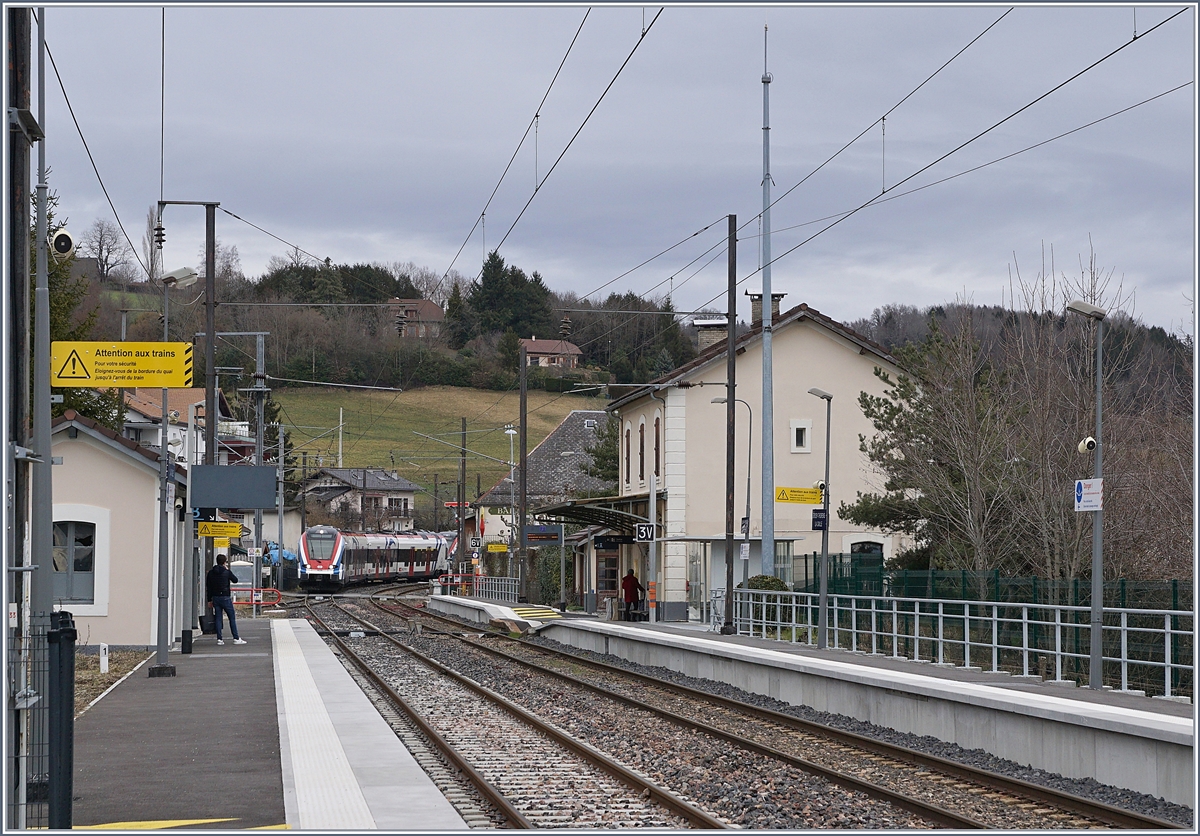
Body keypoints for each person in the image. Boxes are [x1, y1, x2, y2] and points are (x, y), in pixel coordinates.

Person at [206, 555, 246, 645]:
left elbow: (209, 587)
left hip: (215, 597)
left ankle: (219, 639)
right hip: (225, 597)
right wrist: (227, 570)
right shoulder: (226, 572)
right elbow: (235, 580)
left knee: (218, 618)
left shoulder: (211, 573)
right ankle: (236, 638)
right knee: (231, 617)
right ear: (224, 562)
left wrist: (209, 600)